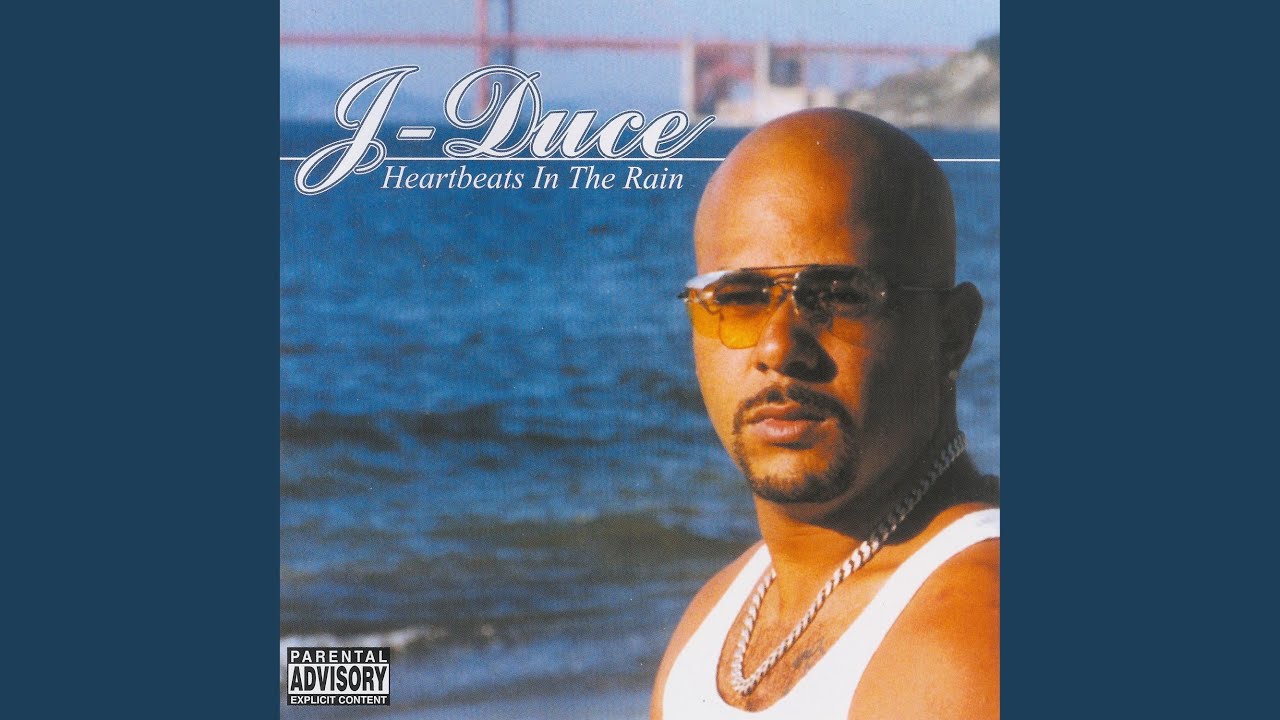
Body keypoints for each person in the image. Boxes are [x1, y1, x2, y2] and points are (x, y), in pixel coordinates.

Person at [651, 108, 999, 720]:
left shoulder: (969, 632)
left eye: (840, 296)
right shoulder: (716, 623)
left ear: (951, 334)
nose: (778, 347)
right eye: (737, 298)